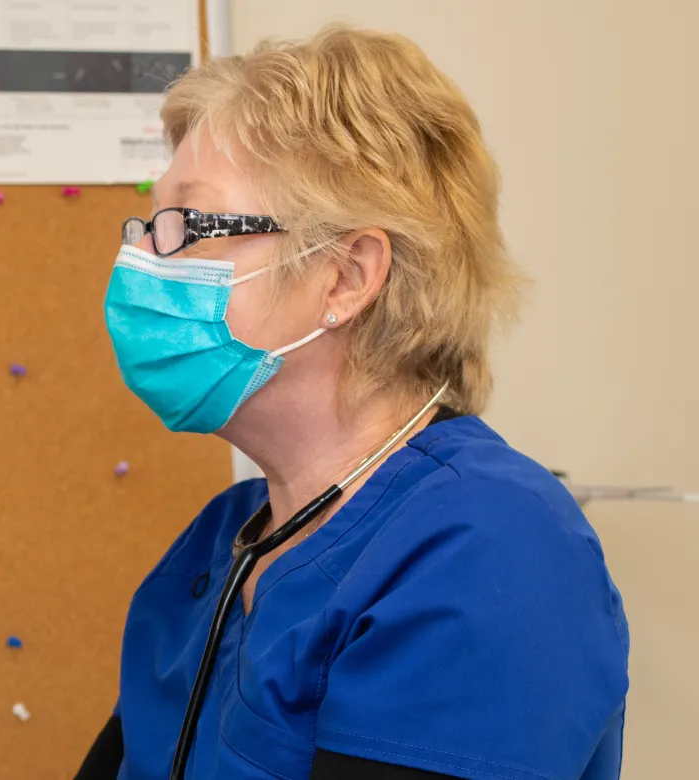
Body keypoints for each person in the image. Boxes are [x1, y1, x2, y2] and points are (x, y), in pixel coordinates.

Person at [78, 25, 629, 780]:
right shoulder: (220, 543)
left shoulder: (493, 547)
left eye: (188, 227)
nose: (141, 259)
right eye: (147, 226)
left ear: (346, 276)